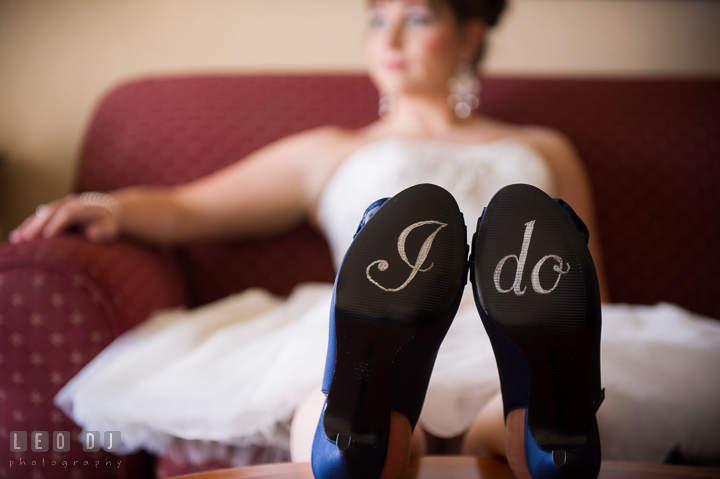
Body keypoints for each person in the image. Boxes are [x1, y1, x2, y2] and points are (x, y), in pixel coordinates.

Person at [9, 0, 720, 478]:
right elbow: (189, 208)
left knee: (534, 359)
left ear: (471, 33)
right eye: (377, 17)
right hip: (376, 317)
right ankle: (495, 431)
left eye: (417, 15)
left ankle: (415, 435)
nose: (390, 35)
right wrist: (107, 205)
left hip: (520, 316)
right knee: (322, 377)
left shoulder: (545, 146)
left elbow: (581, 278)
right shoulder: (330, 149)